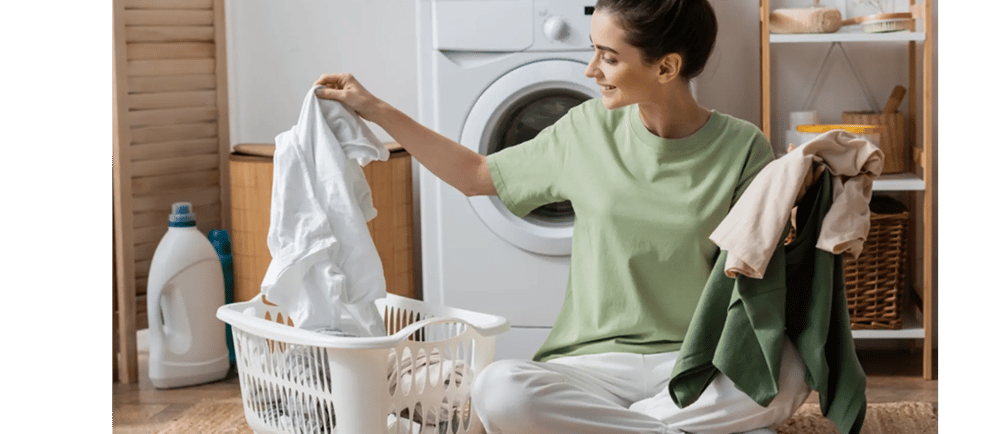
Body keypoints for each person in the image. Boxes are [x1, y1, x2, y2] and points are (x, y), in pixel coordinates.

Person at [315, 1, 810, 433]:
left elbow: (760, 264)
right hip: (591, 366)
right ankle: (675, 429)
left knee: (790, 371)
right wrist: (374, 108)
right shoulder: (586, 129)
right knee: (500, 389)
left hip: (693, 362)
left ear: (666, 67)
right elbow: (475, 173)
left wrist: (802, 201)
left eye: (609, 57)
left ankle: (614, 429)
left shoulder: (743, 147)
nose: (591, 70)